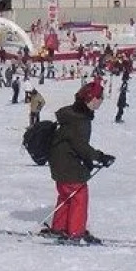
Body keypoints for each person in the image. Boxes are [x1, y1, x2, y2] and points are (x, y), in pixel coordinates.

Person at [45, 81, 114, 243]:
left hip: (58, 164)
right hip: (68, 165)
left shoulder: (72, 113)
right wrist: (101, 157)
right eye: (100, 97)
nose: (102, 101)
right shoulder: (80, 120)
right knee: (79, 196)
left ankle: (59, 227)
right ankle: (76, 232)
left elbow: (73, 144)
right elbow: (81, 146)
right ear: (91, 99)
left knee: (65, 196)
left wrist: (89, 161)